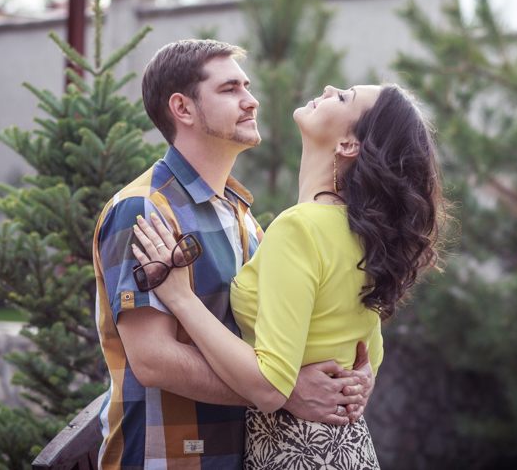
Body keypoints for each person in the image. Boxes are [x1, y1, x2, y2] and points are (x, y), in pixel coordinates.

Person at [131, 82, 445, 469]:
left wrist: (180, 298)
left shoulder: (300, 227)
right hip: (346, 447)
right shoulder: (362, 233)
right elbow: (368, 358)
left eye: (344, 97)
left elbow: (269, 386)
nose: (330, 88)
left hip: (296, 450)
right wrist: (358, 382)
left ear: (348, 144)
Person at [92, 40, 370, 470]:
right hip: (171, 460)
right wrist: (283, 391)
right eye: (229, 90)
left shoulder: (244, 217)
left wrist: (350, 379)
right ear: (183, 109)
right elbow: (152, 359)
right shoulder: (145, 208)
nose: (251, 99)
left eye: (247, 86)